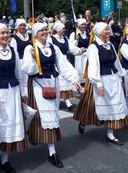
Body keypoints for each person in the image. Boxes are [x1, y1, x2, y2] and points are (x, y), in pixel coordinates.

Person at [21, 23, 80, 168]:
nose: (44, 32)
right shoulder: (30, 48)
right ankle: (52, 152)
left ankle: (36, 136)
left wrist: (74, 79)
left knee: (51, 116)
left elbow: (63, 65)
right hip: (37, 85)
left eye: (45, 29)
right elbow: (28, 70)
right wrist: (33, 59)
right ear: (35, 34)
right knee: (43, 117)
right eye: (40, 30)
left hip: (52, 84)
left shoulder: (54, 47)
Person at [75, 22, 128, 145]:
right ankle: (84, 120)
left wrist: (121, 76)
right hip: (100, 78)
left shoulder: (111, 45)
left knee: (113, 105)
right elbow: (93, 66)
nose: (108, 32)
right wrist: (98, 83)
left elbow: (116, 62)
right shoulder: (93, 47)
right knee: (92, 105)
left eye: (108, 30)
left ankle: (110, 134)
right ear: (99, 32)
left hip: (113, 78)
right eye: (106, 30)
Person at [0, 23, 26, 173]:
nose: (5, 36)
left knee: (9, 127)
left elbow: (18, 73)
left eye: (7, 33)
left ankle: (5, 160)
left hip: (13, 92)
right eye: (2, 33)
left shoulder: (13, 51)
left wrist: (23, 91)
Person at [48, 21, 83, 111]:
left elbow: (72, 49)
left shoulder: (65, 39)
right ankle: (58, 101)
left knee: (66, 82)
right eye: (63, 28)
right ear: (58, 29)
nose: (64, 30)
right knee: (59, 83)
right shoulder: (51, 39)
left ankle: (67, 102)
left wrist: (81, 50)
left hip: (65, 62)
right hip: (55, 63)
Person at [68, 19, 89, 84]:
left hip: (86, 55)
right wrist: (76, 40)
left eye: (84, 24)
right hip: (78, 56)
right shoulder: (74, 34)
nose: (83, 26)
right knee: (79, 69)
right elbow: (71, 46)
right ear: (79, 26)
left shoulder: (88, 33)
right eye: (82, 25)